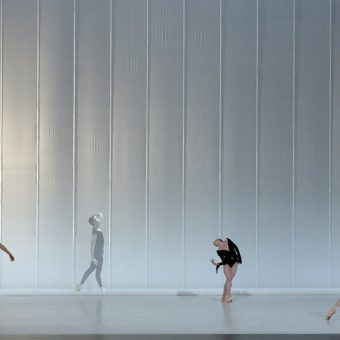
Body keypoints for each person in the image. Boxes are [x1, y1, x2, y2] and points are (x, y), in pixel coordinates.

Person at [77, 212, 105, 292]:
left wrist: (97, 215)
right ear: (94, 222)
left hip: (100, 254)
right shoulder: (95, 231)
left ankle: (80, 285)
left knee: (91, 271)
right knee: (96, 273)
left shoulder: (98, 229)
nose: (99, 221)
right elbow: (92, 245)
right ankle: (101, 288)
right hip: (96, 255)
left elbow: (92, 219)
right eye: (96, 220)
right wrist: (92, 258)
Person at [210, 238, 242, 303]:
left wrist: (240, 258)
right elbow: (223, 260)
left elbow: (236, 247)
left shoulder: (227, 240)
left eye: (215, 241)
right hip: (226, 263)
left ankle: (224, 295)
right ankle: (229, 295)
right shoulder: (218, 251)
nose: (214, 243)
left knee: (229, 280)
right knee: (229, 278)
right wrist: (217, 264)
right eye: (214, 244)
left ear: (218, 240)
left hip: (235, 261)